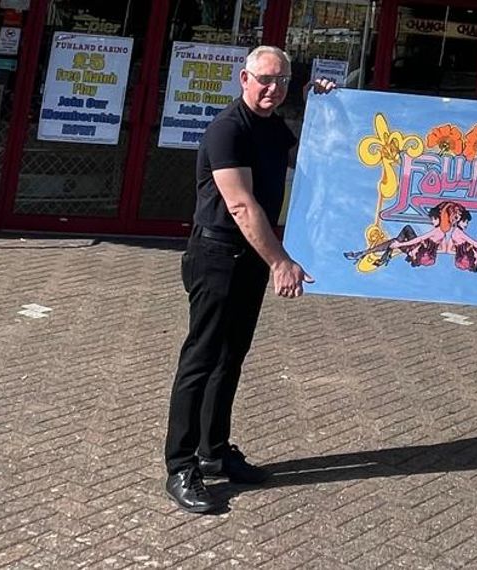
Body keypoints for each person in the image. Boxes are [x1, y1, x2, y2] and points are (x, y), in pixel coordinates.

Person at [163, 45, 335, 514]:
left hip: (248, 261)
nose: (272, 88)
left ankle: (214, 452)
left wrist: (319, 106)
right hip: (216, 254)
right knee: (201, 359)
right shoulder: (227, 130)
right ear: (244, 78)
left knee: (231, 357)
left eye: (281, 81)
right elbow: (241, 206)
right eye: (265, 79)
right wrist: (281, 261)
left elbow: (320, 162)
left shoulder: (274, 126)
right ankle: (181, 465)